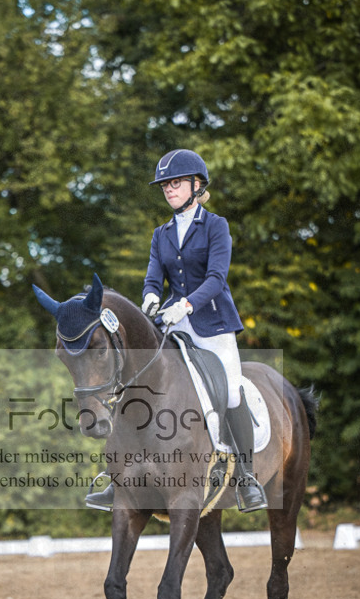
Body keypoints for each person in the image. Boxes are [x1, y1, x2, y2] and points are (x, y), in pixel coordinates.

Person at [86, 148, 267, 514]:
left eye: (176, 183)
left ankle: (246, 477)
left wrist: (185, 305)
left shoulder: (216, 225)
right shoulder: (161, 234)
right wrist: (151, 300)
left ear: (196, 185)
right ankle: (114, 475)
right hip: (169, 323)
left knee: (231, 390)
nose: (169, 189)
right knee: (132, 382)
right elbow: (154, 277)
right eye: (165, 185)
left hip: (212, 324)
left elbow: (216, 278)